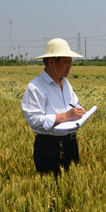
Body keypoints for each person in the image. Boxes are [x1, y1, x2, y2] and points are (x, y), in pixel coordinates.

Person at [21, 38, 87, 175]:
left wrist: (80, 112)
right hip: (48, 147)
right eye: (66, 62)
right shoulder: (35, 87)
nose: (70, 66)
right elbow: (34, 120)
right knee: (50, 189)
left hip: (70, 144)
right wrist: (66, 116)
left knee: (71, 187)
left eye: (71, 62)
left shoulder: (66, 83)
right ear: (52, 62)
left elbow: (73, 104)